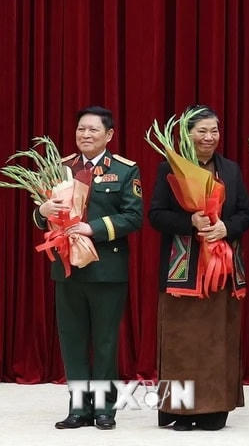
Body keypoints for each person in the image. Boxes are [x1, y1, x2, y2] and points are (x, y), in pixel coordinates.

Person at [33, 106, 143, 430]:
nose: (85, 135)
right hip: (67, 270)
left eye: (93, 130)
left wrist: (92, 228)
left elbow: (134, 217)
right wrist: (43, 209)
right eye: (81, 129)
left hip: (106, 269)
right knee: (73, 340)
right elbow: (42, 218)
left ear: (109, 135)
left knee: (106, 341)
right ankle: (79, 409)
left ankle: (105, 409)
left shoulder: (125, 170)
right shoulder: (62, 167)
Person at [148, 105, 249, 431]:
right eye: (202, 131)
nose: (209, 137)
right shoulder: (170, 168)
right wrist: (189, 221)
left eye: (214, 131)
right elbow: (155, 215)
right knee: (182, 341)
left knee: (218, 341)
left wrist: (227, 228)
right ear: (187, 134)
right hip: (184, 270)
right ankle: (180, 411)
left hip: (221, 270)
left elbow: (246, 214)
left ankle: (214, 411)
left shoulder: (231, 170)